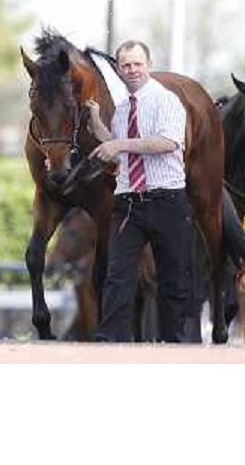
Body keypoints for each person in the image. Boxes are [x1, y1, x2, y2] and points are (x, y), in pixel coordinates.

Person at [86, 39, 194, 343]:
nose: (132, 70)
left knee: (172, 279)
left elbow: (168, 143)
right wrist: (98, 126)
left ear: (148, 65)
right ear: (119, 70)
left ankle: (172, 344)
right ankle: (110, 340)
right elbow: (120, 152)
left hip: (167, 200)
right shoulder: (122, 110)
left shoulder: (166, 100)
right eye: (126, 65)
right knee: (117, 276)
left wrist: (118, 144)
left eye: (137, 64)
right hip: (128, 202)